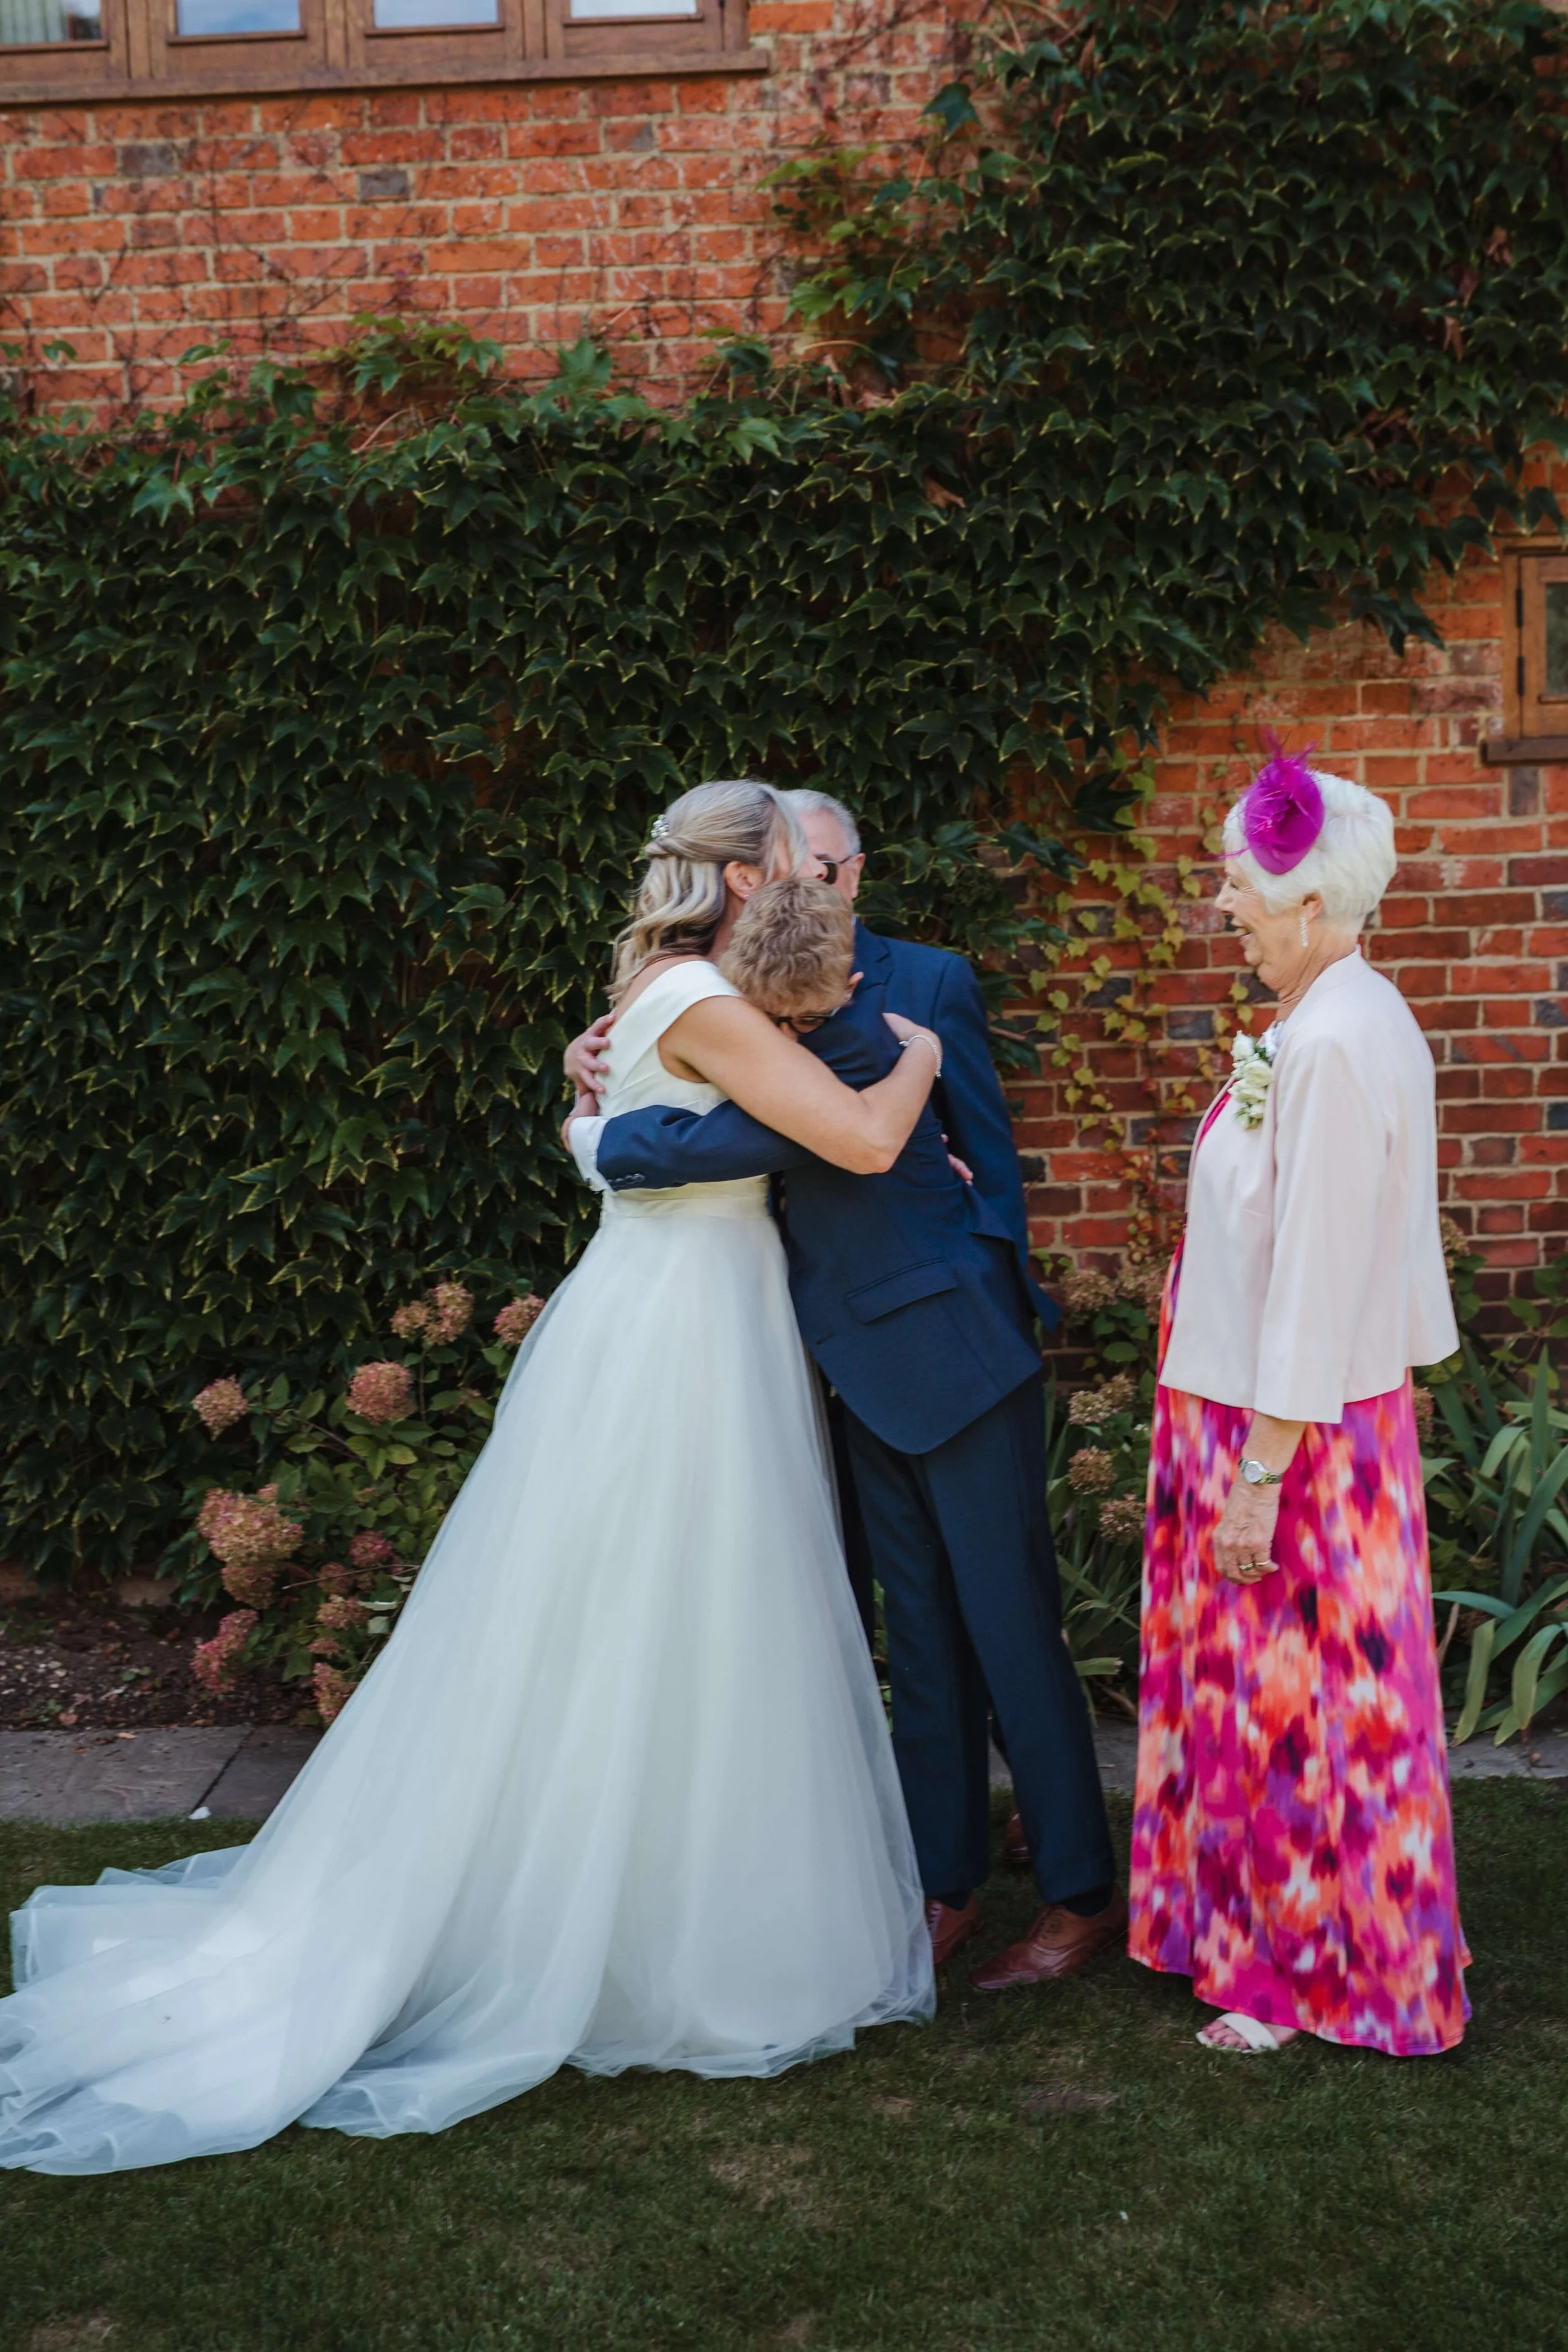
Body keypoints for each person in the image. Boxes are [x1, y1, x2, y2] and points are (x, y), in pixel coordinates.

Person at [0, 781, 940, 2177]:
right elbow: (857, 1140)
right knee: (656, 1606)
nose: (819, 878)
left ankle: (653, 1904)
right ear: (743, 879)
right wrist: (914, 1059)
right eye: (796, 860)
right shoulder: (696, 1001)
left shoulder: (659, 993)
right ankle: (626, 1939)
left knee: (679, 1615)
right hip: (677, 1335)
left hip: (679, 1312)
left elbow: (649, 1141)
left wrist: (585, 1132)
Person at [568, 788, 1123, 1986]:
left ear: (855, 870)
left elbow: (985, 1166)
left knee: (1013, 1626)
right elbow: (748, 1127)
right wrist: (600, 1087)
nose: (806, 886)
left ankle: (1079, 1892)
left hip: (949, 1348)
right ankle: (944, 1882)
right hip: (835, 1355)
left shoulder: (921, 986)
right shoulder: (741, 995)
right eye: (788, 865)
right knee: (916, 1634)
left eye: (824, 866)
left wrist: (983, 1284)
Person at [1129, 748, 1468, 2055]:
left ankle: (1306, 1976)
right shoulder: (1334, 1012)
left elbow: (1319, 1281)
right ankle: (1276, 1937)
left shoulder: (1328, 1044)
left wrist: (1257, 1478)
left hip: (1290, 1436)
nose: (1225, 909)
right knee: (1279, 1703)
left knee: (1296, 1713)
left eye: (1242, 892)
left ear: (1312, 907)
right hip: (1270, 1413)